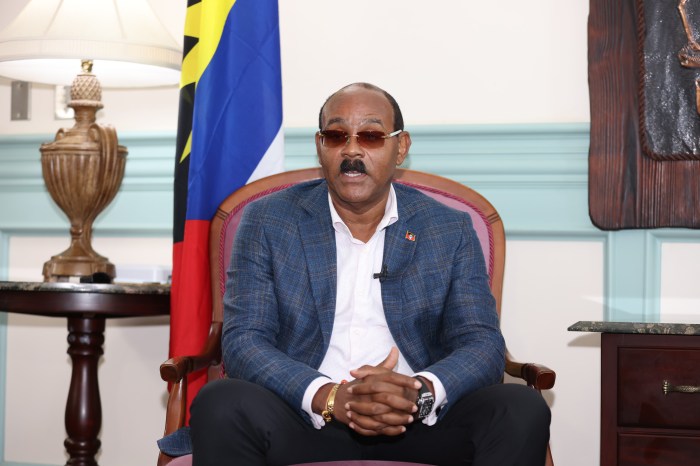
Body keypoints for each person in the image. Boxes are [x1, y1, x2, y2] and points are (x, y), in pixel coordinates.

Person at [189, 82, 551, 465]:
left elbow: (481, 342)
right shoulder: (268, 221)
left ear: (401, 147)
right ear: (320, 145)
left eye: (372, 136)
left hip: (420, 422)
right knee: (220, 403)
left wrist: (418, 391)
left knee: (519, 407)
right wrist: (329, 397)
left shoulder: (449, 228)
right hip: (304, 418)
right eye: (336, 135)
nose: (352, 150)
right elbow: (245, 341)